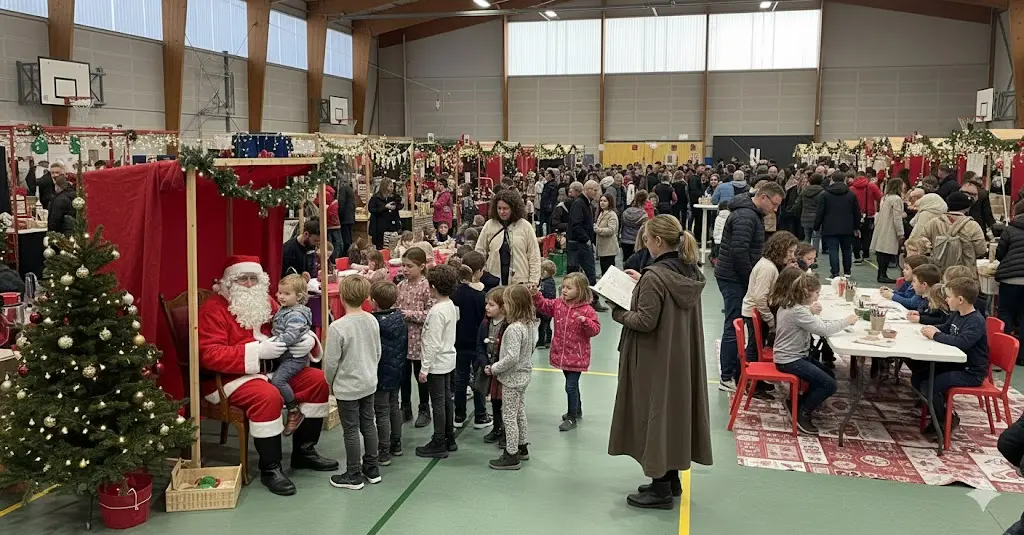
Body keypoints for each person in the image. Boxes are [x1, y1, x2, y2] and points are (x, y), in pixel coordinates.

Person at [197, 256, 336, 496]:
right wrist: (257, 352)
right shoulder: (213, 309)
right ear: (229, 282)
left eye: (254, 278)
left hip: (275, 369)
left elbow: (293, 325)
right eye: (243, 279)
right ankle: (270, 468)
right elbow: (209, 354)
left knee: (317, 381)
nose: (250, 284)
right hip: (232, 378)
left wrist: (308, 341)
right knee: (268, 397)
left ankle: (304, 452)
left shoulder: (268, 302)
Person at [609, 216, 711, 510]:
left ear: (656, 241)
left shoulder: (655, 276)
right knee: (673, 415)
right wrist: (641, 283)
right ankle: (672, 478)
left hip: (655, 358)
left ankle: (660, 488)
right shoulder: (688, 271)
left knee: (654, 416)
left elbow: (644, 320)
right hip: (679, 356)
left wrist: (618, 310)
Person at [715, 181, 785, 392]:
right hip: (734, 278)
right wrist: (751, 280)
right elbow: (739, 252)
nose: (775, 209)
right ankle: (727, 377)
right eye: (774, 204)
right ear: (763, 197)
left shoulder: (751, 214)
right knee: (733, 325)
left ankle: (741, 371)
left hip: (735, 276)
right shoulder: (746, 216)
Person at [771, 271, 856, 434]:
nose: (818, 296)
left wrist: (811, 311)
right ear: (805, 292)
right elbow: (823, 330)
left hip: (793, 355)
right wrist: (847, 321)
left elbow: (807, 320)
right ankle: (802, 412)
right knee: (829, 384)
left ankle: (797, 403)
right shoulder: (798, 312)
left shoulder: (791, 305)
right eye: (816, 293)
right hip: (790, 359)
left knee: (829, 375)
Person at [324, 275, 382, 490]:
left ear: (341, 297)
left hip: (347, 387)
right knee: (369, 423)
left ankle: (353, 474)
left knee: (350, 429)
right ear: (366, 296)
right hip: (368, 382)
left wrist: (330, 382)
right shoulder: (372, 320)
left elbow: (330, 362)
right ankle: (372, 468)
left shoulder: (338, 327)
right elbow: (377, 351)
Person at [918, 277, 988, 437]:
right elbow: (945, 328)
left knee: (930, 386)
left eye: (949, 297)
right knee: (919, 378)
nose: (946, 300)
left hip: (971, 372)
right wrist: (928, 328)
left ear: (960, 300)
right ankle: (938, 411)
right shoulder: (957, 314)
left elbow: (962, 342)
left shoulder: (975, 321)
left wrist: (936, 336)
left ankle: (944, 421)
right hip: (956, 365)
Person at [533, 272, 600, 432]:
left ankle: (571, 416)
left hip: (577, 355)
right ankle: (577, 409)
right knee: (572, 385)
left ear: (580, 290)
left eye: (569, 288)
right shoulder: (559, 304)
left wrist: (586, 322)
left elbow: (595, 329)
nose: (564, 290)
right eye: (563, 287)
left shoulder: (587, 310)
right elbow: (544, 305)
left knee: (570, 386)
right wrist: (536, 295)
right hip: (562, 353)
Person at [484, 285, 536, 469]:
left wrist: (494, 368)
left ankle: (511, 453)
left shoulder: (514, 329)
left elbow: (511, 357)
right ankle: (522, 446)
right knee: (520, 412)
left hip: (512, 378)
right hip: (523, 375)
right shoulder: (529, 324)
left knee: (509, 417)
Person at [415, 264, 460, 458]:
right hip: (449, 359)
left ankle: (439, 440)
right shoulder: (450, 305)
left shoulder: (435, 312)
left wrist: (424, 368)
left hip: (437, 364)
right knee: (447, 400)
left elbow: (432, 343)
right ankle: (449, 437)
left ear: (432, 286)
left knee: (438, 403)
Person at [741, 231, 799, 369]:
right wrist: (770, 320)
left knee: (756, 346)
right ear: (780, 249)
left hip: (759, 311)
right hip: (755, 312)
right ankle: (751, 380)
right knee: (754, 348)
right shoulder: (767, 268)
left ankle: (756, 380)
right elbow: (760, 297)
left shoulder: (771, 265)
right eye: (790, 252)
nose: (792, 256)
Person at [451, 251, 493, 430]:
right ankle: (481, 415)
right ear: (479, 272)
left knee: (460, 379)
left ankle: (458, 415)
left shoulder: (454, 293)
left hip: (458, 342)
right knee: (479, 380)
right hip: (477, 344)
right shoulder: (480, 296)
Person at [270, 274, 314, 436]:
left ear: (299, 296)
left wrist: (273, 342)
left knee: (278, 380)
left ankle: (293, 410)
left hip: (294, 357)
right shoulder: (286, 308)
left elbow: (290, 336)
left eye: (287, 294)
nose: (281, 296)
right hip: (284, 355)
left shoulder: (295, 315)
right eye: (280, 292)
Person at [369, 281, 407, 464]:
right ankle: (396, 443)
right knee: (394, 405)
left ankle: (383, 449)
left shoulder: (374, 323)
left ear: (374, 301)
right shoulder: (400, 319)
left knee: (381, 411)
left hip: (381, 372)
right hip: (397, 369)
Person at [397, 247, 434, 426]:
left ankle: (424, 408)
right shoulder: (400, 286)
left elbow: (431, 313)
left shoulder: (427, 287)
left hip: (419, 339)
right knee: (403, 375)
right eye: (403, 265)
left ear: (421, 267)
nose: (405, 269)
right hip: (402, 338)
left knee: (421, 376)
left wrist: (410, 314)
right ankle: (405, 407)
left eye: (409, 266)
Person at [475, 189, 542, 287]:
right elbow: (480, 251)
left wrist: (533, 280)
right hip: (493, 280)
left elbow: (534, 255)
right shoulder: (489, 225)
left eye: (505, 208)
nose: (501, 212)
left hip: (520, 281)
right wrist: (483, 272)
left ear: (513, 208)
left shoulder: (525, 226)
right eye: (499, 208)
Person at [913, 192, 986, 278]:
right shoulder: (972, 226)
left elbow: (920, 241)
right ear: (967, 208)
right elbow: (981, 250)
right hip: (965, 272)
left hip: (939, 271)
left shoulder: (934, 223)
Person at [566, 180, 608, 312]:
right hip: (579, 244)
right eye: (595, 190)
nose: (597, 193)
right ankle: (591, 301)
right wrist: (586, 239)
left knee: (579, 273)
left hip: (579, 243)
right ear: (587, 189)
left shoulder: (585, 203)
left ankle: (585, 300)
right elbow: (576, 224)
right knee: (587, 273)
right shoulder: (580, 203)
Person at [815, 171, 861, 278]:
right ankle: (847, 272)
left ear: (832, 180)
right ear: (845, 180)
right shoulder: (851, 195)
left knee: (833, 250)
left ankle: (835, 272)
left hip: (830, 227)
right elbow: (856, 212)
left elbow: (820, 212)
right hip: (847, 227)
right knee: (847, 250)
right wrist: (856, 227)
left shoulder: (825, 195)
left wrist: (816, 226)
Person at [478, 286, 508, 447]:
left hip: (503, 370)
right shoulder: (485, 323)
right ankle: (497, 427)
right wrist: (484, 364)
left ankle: (506, 431)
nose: (486, 308)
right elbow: (479, 346)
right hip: (489, 369)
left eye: (491, 305)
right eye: (486, 304)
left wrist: (497, 366)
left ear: (503, 307)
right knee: (494, 402)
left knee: (506, 402)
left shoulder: (508, 325)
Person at [997, 201, 1024, 363]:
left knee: (1005, 314)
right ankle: (1021, 356)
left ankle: (1004, 355)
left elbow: (1001, 253)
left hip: (1010, 278)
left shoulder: (1010, 229)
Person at [870, 178, 906, 283]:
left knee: (881, 251)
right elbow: (897, 217)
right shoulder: (896, 199)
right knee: (886, 251)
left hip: (882, 226)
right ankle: (883, 275)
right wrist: (901, 233)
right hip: (890, 228)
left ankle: (881, 274)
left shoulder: (885, 198)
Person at [850, 171, 883, 265]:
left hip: (854, 215)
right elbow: (880, 198)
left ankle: (856, 256)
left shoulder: (851, 188)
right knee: (866, 236)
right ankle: (866, 255)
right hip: (869, 215)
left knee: (855, 236)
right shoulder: (871, 186)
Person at [368, 178, 404, 250]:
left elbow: (400, 206)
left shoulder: (394, 197)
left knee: (392, 246)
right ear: (384, 186)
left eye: (392, 186)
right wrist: (385, 207)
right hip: (379, 227)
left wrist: (396, 206)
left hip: (392, 226)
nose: (392, 188)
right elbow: (371, 209)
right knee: (381, 247)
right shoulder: (376, 198)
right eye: (390, 186)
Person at [961, 175, 996, 239]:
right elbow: (987, 213)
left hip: (962, 223)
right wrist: (993, 227)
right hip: (978, 224)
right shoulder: (983, 194)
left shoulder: (959, 191)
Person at [620, 191, 648, 262]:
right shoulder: (643, 214)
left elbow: (622, 226)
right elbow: (644, 229)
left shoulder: (625, 212)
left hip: (625, 240)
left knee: (626, 262)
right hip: (637, 241)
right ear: (644, 201)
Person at [596, 193, 620, 276]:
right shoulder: (601, 213)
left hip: (609, 248)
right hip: (602, 248)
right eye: (601, 201)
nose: (602, 203)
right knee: (603, 271)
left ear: (610, 202)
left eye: (605, 201)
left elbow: (611, 230)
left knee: (608, 272)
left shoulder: (612, 214)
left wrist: (598, 230)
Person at [536, 260, 557, 349]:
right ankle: (546, 340)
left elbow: (545, 294)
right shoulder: (548, 282)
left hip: (546, 309)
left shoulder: (546, 283)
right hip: (547, 308)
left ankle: (543, 341)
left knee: (544, 326)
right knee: (545, 325)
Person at [539, 169, 559, 237]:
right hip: (545, 207)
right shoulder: (548, 184)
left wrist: (548, 207)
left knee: (548, 225)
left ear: (551, 175)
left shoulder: (552, 185)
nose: (545, 176)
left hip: (548, 209)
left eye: (547, 174)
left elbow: (552, 198)